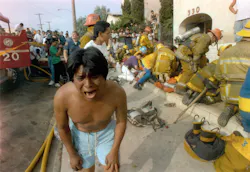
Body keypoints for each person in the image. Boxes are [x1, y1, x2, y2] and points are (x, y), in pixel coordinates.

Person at [54, 47, 127, 172]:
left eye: (94, 76)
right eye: (81, 78)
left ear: (104, 75)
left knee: (113, 169)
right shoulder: (62, 97)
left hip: (107, 134)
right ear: (72, 79)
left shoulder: (117, 92)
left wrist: (114, 150)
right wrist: (72, 154)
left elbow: (121, 121)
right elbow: (62, 128)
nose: (88, 84)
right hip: (80, 137)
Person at [215, 21, 250, 127]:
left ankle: (231, 106)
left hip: (227, 93)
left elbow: (217, 75)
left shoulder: (226, 52)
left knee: (233, 98)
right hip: (246, 97)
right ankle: (242, 113)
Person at [175, 28, 222, 95]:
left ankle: (190, 86)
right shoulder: (206, 38)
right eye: (216, 40)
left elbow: (200, 53)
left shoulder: (204, 37)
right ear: (214, 37)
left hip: (185, 53)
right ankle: (180, 88)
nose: (214, 42)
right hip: (183, 54)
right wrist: (194, 64)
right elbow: (197, 52)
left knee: (196, 69)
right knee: (189, 70)